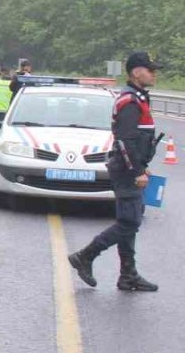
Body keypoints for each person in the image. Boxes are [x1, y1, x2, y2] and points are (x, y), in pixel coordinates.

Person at [68, 51, 162, 292]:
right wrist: (137, 171)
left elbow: (136, 140)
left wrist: (143, 166)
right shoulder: (130, 101)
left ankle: (128, 275)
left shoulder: (138, 98)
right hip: (126, 171)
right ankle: (85, 256)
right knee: (129, 222)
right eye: (150, 70)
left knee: (128, 222)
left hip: (128, 168)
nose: (154, 74)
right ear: (136, 72)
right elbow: (125, 140)